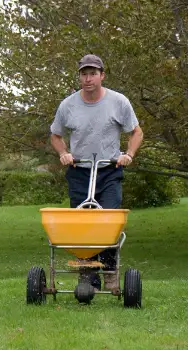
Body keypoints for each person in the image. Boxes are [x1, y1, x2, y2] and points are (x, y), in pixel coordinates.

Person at [49, 54, 143, 291]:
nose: (88, 78)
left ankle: (110, 272)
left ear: (102, 75)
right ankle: (88, 275)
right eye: (84, 74)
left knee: (108, 222)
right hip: (79, 171)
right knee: (82, 226)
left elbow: (136, 132)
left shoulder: (118, 102)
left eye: (93, 74)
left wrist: (128, 154)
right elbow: (55, 135)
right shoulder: (68, 105)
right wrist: (64, 153)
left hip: (109, 170)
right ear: (79, 76)